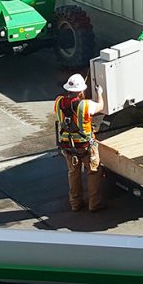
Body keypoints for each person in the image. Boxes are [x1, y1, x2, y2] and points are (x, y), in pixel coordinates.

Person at [54, 74, 105, 212]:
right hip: (85, 146)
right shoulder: (85, 105)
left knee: (73, 173)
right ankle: (94, 204)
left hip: (68, 146)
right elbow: (100, 106)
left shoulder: (58, 101)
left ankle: (75, 203)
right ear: (81, 91)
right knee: (93, 172)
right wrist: (99, 93)